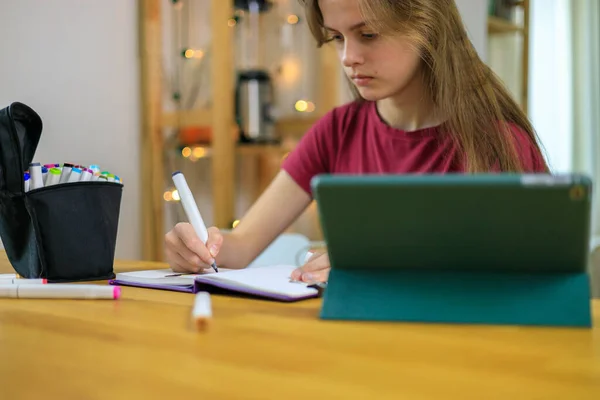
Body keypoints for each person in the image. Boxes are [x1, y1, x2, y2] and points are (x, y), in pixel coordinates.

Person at [164, 0, 549, 283]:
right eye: (337, 37)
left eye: (367, 35)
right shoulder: (337, 131)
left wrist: (381, 263)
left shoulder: (497, 145)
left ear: (428, 26)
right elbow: (242, 245)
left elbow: (525, 285)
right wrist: (201, 246)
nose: (348, 57)